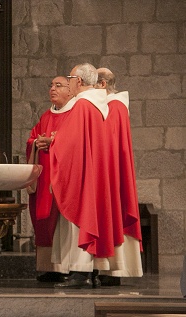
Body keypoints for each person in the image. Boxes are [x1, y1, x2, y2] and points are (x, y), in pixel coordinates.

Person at [48, 63, 111, 288]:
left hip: (83, 173)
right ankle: (89, 270)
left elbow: (70, 142)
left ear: (79, 82)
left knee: (80, 218)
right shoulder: (98, 104)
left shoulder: (83, 105)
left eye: (70, 78)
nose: (69, 81)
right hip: (93, 169)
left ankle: (80, 271)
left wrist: (53, 143)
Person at [94, 67, 143, 284]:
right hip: (110, 171)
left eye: (92, 84)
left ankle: (114, 269)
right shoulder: (112, 105)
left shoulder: (114, 107)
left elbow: (106, 143)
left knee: (114, 215)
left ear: (102, 85)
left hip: (112, 174)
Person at [25, 76, 75, 283]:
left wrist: (54, 142)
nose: (52, 89)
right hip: (45, 177)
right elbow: (32, 138)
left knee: (64, 222)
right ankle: (48, 267)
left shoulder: (75, 115)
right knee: (44, 220)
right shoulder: (46, 116)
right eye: (51, 86)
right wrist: (36, 143)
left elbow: (75, 142)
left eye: (58, 85)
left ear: (70, 91)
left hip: (65, 178)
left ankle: (67, 267)